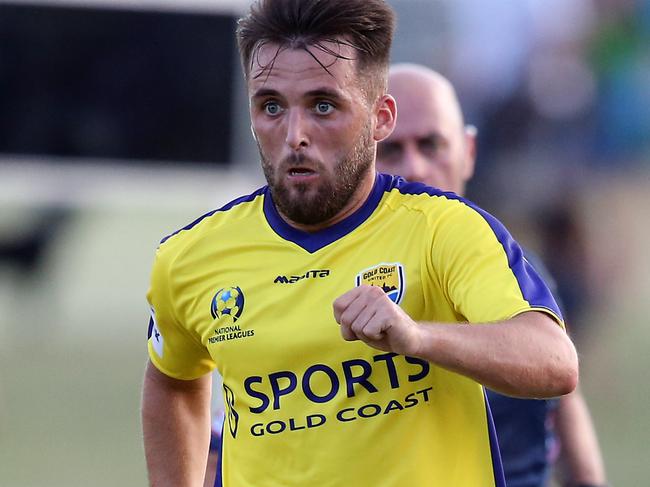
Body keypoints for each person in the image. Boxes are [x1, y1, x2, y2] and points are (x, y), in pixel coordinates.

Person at [141, 1, 578, 485]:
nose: (295, 136)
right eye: (271, 107)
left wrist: (420, 338)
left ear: (380, 117)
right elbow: (172, 380)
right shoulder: (190, 258)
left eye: (323, 105)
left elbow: (553, 360)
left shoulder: (445, 229)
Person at [376, 63, 607, 487]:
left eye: (432, 144)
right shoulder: (332, 281)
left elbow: (565, 409)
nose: (416, 168)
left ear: (469, 152)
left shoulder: (518, 267)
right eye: (391, 150)